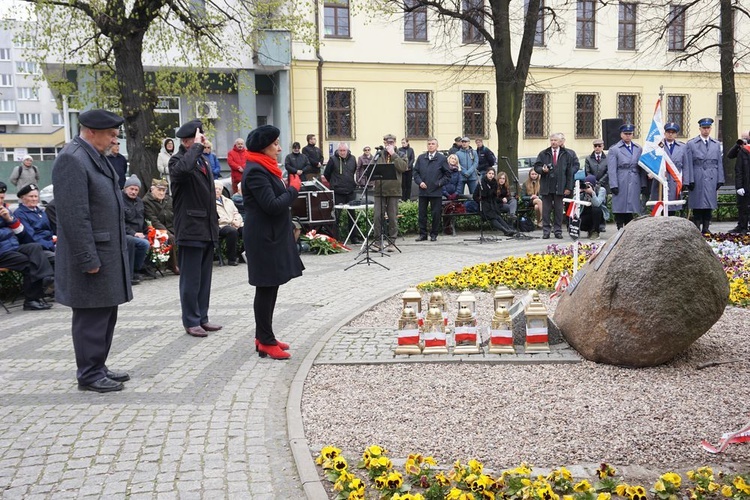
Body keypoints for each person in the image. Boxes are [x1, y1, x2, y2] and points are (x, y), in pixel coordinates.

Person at [52, 109, 132, 393]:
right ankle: (88, 374)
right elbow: (74, 216)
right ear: (91, 131)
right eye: (111, 134)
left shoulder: (93, 156)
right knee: (91, 316)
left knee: (105, 313)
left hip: (106, 252)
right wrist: (87, 258)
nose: (114, 139)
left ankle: (98, 365)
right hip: (92, 255)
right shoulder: (72, 159)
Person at [242, 125, 304, 360]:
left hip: (271, 235)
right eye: (276, 144)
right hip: (263, 237)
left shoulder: (264, 168)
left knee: (270, 286)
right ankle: (265, 340)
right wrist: (293, 189)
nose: (279, 149)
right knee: (266, 287)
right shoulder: (256, 171)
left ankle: (264, 336)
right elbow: (272, 205)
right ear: (264, 147)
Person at [169, 119, 222, 338]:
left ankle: (202, 317)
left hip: (206, 228)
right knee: (190, 279)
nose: (203, 140)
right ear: (188, 140)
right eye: (199, 138)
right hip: (190, 228)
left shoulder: (202, 160)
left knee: (203, 278)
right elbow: (182, 172)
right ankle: (190, 320)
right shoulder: (178, 160)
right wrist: (197, 148)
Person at [0, 181, 55, 311]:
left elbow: (23, 234)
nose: (0, 200)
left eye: (2, 197)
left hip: (13, 247)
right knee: (31, 263)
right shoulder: (20, 211)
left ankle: (45, 282)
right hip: (2, 252)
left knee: (34, 247)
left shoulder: (6, 210)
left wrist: (10, 220)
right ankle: (32, 300)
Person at [533, 132, 578, 239]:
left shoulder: (566, 154)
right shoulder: (544, 153)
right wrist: (542, 170)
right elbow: (536, 167)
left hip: (560, 186)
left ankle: (558, 231)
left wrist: (568, 187)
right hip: (547, 185)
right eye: (552, 140)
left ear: (560, 142)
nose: (553, 142)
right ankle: (546, 231)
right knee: (546, 210)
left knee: (558, 210)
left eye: (555, 140)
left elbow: (569, 173)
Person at [687, 117, 724, 234]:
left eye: (708, 128)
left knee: (709, 203)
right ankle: (697, 227)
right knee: (697, 203)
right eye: (704, 128)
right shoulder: (692, 144)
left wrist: (720, 178)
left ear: (711, 129)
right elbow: (688, 163)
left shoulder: (716, 144)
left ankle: (706, 228)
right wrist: (689, 180)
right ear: (700, 128)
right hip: (697, 174)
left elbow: (719, 162)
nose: (706, 130)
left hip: (711, 175)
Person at [372, 134, 408, 251]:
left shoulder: (401, 154)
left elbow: (403, 167)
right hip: (379, 190)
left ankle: (392, 242)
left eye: (392, 142)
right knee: (377, 216)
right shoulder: (379, 154)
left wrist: (393, 154)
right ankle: (377, 242)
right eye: (387, 142)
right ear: (384, 142)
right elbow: (372, 169)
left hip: (394, 190)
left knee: (392, 218)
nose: (389, 144)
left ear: (395, 142)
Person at [607, 124, 646, 229]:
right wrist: (613, 184)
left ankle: (629, 228)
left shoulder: (638, 148)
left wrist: (643, 183)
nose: (628, 136)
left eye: (630, 134)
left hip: (634, 179)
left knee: (632, 206)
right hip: (621, 178)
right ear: (621, 135)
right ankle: (620, 227)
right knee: (620, 206)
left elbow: (642, 167)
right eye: (626, 134)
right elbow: (611, 169)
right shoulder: (614, 149)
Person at [650, 122, 692, 216]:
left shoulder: (682, 147)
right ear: (664, 133)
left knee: (672, 206)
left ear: (676, 134)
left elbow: (685, 165)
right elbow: (652, 161)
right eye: (668, 132)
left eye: (673, 132)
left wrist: (686, 182)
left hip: (674, 180)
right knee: (660, 204)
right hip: (660, 180)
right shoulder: (658, 145)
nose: (670, 134)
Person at [413, 138, 451, 242]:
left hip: (436, 191)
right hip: (423, 191)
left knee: (436, 214)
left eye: (433, 144)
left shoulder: (442, 158)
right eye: (429, 144)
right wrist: (420, 182)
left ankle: (434, 234)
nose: (430, 145)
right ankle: (423, 234)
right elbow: (415, 173)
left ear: (437, 146)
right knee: (422, 214)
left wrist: (439, 183)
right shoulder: (421, 158)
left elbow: (447, 175)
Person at [323, 142, 359, 242]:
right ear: (338, 150)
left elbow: (354, 170)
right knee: (336, 215)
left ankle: (354, 237)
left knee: (352, 215)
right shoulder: (333, 159)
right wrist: (335, 183)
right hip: (338, 191)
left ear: (347, 151)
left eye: (344, 150)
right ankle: (336, 238)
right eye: (340, 150)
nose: (342, 152)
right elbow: (327, 174)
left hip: (350, 190)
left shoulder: (353, 159)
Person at [142, 178, 178, 274]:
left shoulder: (169, 199)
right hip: (156, 229)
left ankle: (186, 263)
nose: (162, 193)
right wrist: (166, 232)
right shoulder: (146, 201)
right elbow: (153, 220)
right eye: (159, 190)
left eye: (163, 190)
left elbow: (176, 214)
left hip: (171, 226)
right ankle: (173, 266)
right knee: (169, 237)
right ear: (152, 189)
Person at [121, 175, 151, 285]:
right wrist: (134, 233)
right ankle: (134, 270)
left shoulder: (139, 201)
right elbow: (120, 222)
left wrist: (149, 231)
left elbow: (143, 219)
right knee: (143, 244)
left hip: (140, 233)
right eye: (131, 189)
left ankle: (144, 268)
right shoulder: (120, 201)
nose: (133, 192)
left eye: (136, 190)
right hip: (126, 233)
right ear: (125, 188)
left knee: (158, 240)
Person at [14, 183, 56, 258]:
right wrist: (50, 244)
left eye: (36, 196)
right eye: (31, 196)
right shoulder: (20, 214)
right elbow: (30, 237)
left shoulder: (40, 211)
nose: (34, 199)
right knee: (58, 258)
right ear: (23, 198)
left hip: (50, 243)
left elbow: (49, 230)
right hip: (38, 247)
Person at [472, 168, 516, 236]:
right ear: (486, 174)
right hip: (484, 205)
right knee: (492, 218)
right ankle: (504, 231)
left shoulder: (494, 183)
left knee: (498, 216)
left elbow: (494, 196)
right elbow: (475, 196)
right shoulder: (482, 183)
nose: (491, 175)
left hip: (492, 204)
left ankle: (509, 229)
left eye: (492, 174)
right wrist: (480, 201)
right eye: (489, 173)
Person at [726, 131, 750, 234]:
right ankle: (742, 227)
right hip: (745, 183)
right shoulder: (743, 150)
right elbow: (738, 169)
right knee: (743, 207)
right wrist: (738, 145)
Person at [215, 184, 243, 265]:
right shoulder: (209, 202)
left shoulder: (228, 201)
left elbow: (236, 213)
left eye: (219, 189)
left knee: (247, 229)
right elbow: (216, 218)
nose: (217, 190)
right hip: (221, 226)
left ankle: (242, 256)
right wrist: (231, 221)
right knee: (232, 231)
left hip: (234, 224)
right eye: (215, 188)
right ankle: (232, 259)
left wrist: (237, 221)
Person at [578, 174, 609, 240]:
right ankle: (589, 230)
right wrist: (578, 192)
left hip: (598, 215)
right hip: (586, 213)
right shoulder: (583, 191)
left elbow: (597, 204)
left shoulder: (601, 190)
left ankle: (595, 231)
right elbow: (575, 203)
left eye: (589, 185)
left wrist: (592, 193)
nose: (587, 187)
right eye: (586, 184)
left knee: (596, 209)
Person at [441, 154, 462, 235]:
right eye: (452, 158)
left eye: (455, 159)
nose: (453, 160)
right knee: (446, 208)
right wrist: (447, 194)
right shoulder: (444, 170)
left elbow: (460, 184)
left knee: (452, 208)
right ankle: (446, 227)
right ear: (448, 159)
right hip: (445, 195)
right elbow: (442, 183)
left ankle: (450, 227)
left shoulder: (458, 172)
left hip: (454, 195)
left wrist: (456, 193)